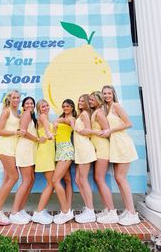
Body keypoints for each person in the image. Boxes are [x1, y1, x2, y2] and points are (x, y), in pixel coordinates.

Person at [101, 85, 140, 226]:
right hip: (115, 146)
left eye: (109, 93)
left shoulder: (116, 106)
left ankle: (132, 214)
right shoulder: (106, 109)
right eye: (104, 93)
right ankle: (128, 209)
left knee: (121, 178)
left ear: (113, 94)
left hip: (122, 143)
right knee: (118, 178)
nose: (106, 96)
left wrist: (111, 130)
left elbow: (128, 123)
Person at [0, 90, 24, 226]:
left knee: (7, 179)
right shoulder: (6, 112)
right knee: (14, 177)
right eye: (13, 97)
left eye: (18, 97)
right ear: (9, 99)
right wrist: (16, 132)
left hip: (13, 149)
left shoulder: (18, 112)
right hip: (5, 148)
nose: (16, 99)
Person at [9, 96, 46, 224]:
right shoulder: (25, 114)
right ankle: (14, 212)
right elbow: (23, 132)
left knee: (31, 180)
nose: (30, 105)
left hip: (31, 151)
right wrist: (37, 139)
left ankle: (20, 209)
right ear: (23, 106)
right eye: (27, 103)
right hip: (25, 149)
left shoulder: (31, 116)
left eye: (32, 103)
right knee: (26, 181)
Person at [88, 91, 119, 223]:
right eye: (89, 100)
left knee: (99, 178)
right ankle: (107, 208)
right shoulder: (97, 111)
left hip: (102, 149)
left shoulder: (99, 113)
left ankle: (112, 212)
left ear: (99, 101)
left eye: (92, 100)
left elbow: (107, 132)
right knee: (98, 178)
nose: (90, 102)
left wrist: (94, 133)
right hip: (98, 149)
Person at [52, 99, 76, 224]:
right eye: (63, 106)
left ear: (72, 108)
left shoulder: (72, 118)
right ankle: (67, 209)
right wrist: (57, 121)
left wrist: (57, 121)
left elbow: (71, 124)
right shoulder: (60, 118)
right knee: (66, 180)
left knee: (55, 180)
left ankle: (65, 211)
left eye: (67, 106)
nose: (65, 108)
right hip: (59, 150)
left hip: (66, 149)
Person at [73, 94, 97, 223]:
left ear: (87, 102)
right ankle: (88, 208)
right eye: (79, 100)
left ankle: (90, 210)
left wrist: (77, 129)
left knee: (83, 179)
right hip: (80, 150)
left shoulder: (85, 114)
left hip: (84, 149)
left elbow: (88, 131)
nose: (80, 102)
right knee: (77, 180)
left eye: (83, 100)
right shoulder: (81, 114)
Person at [32, 99, 55, 225]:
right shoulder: (42, 117)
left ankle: (40, 210)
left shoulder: (46, 117)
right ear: (39, 109)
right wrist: (48, 132)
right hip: (45, 152)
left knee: (51, 183)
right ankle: (39, 212)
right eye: (42, 107)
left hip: (48, 152)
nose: (45, 108)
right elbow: (46, 127)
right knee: (51, 184)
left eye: (46, 105)